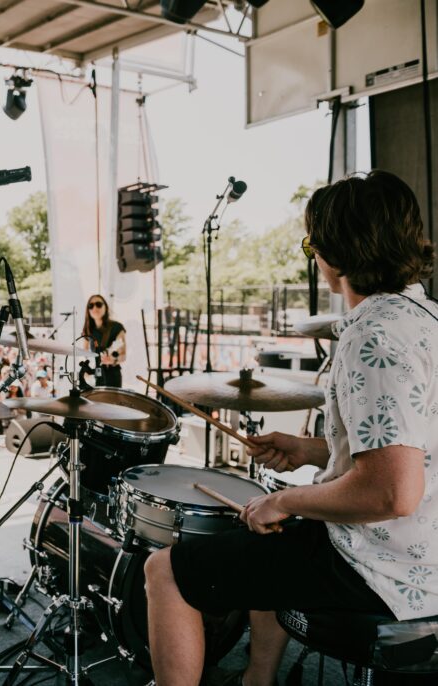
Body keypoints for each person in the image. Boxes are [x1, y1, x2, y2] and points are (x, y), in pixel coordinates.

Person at [144, 171, 438, 686]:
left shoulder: (373, 334)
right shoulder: (425, 319)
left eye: (311, 244)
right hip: (423, 549)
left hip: (386, 567)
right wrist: (309, 449)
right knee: (275, 546)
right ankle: (257, 680)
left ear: (333, 253)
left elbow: (392, 490)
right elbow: (412, 447)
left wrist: (283, 501)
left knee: (166, 572)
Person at [81, 294, 126, 387]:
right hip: (96, 375)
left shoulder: (117, 327)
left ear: (105, 307)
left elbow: (123, 355)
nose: (94, 308)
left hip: (112, 376)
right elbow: (84, 353)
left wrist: (113, 360)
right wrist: (85, 369)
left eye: (98, 304)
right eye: (91, 305)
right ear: (88, 310)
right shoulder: (88, 330)